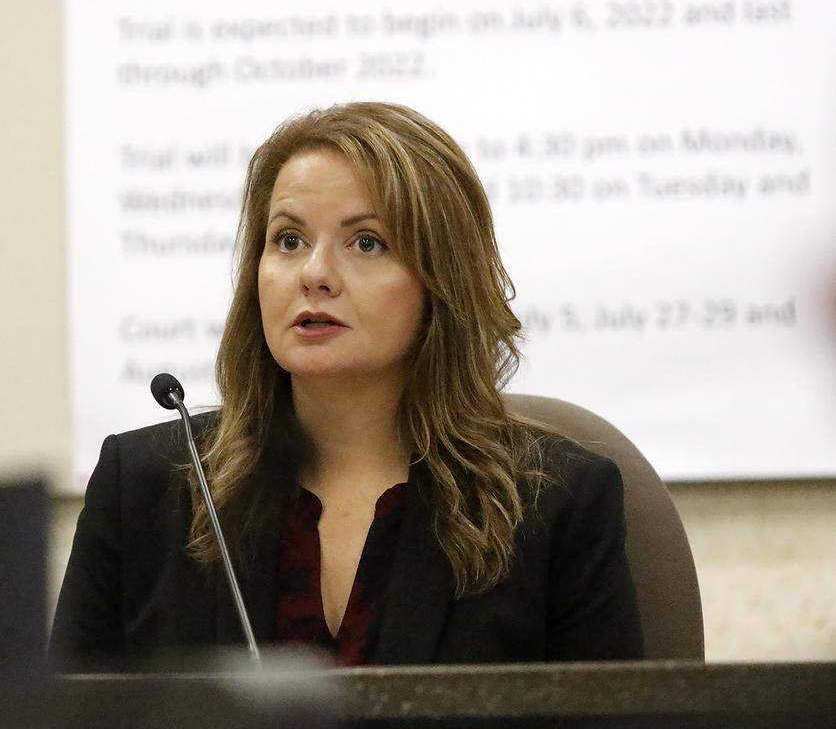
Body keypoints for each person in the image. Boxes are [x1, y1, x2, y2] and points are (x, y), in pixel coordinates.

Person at [49, 102, 643, 671]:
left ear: (441, 281)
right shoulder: (144, 489)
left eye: (366, 242)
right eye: (288, 240)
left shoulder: (555, 505)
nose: (313, 274)